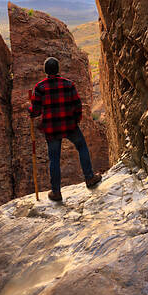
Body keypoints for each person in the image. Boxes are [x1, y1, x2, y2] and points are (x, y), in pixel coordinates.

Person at [28, 57, 102, 201]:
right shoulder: (68, 84)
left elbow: (35, 111)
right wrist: (76, 120)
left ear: (45, 71)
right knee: (82, 147)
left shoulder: (40, 88)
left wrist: (29, 108)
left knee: (54, 158)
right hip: (69, 125)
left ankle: (56, 192)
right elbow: (77, 105)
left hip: (51, 129)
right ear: (58, 69)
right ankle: (89, 177)